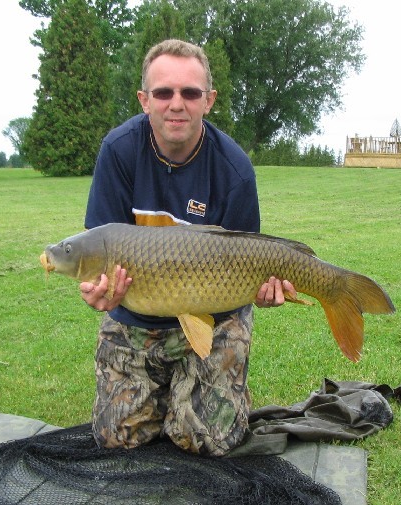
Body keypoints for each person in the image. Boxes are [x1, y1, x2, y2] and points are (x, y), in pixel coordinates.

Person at [80, 39, 295, 457]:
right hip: (135, 320)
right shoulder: (118, 151)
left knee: (204, 439)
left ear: (208, 100)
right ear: (144, 100)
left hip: (213, 318)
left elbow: (250, 258)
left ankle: (205, 391)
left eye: (190, 93)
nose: (176, 104)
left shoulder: (234, 169)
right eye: (163, 92)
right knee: (116, 438)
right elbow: (100, 248)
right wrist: (99, 291)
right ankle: (165, 388)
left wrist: (264, 292)